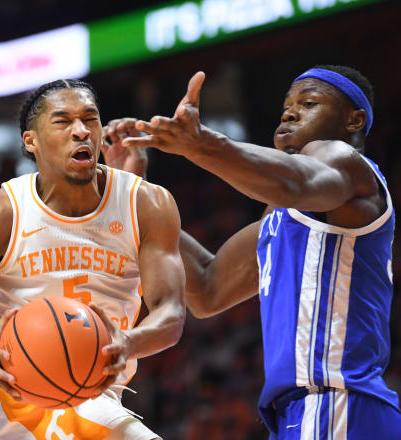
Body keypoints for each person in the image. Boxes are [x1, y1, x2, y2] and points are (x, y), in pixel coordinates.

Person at [105, 65, 401, 439]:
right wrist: (134, 192)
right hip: (305, 412)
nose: (290, 112)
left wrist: (200, 144)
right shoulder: (283, 213)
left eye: (308, 103)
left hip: (338, 404)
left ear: (353, 121)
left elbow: (297, 181)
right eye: (286, 106)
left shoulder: (345, 163)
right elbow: (208, 288)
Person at [0, 79, 186, 439]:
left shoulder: (148, 204)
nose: (81, 131)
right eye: (63, 121)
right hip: (28, 393)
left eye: (90, 119)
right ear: (30, 141)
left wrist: (129, 342)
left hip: (103, 389)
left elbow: (172, 313)